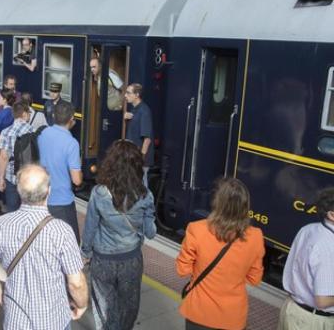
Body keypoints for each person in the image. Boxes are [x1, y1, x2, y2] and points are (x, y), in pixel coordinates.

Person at [0, 164, 89, 330]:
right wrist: (81, 304)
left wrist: (1, 295)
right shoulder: (61, 231)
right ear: (49, 191)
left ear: (18, 191)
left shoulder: (0, 225)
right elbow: (76, 283)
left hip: (16, 321)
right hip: (53, 321)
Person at [81, 140, 157, 329]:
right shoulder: (145, 195)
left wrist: (85, 253)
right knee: (128, 309)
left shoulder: (99, 193)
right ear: (137, 166)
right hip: (131, 260)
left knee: (104, 310)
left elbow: (90, 228)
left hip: (103, 260)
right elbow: (150, 233)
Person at [176, 178, 265, 330]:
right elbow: (254, 279)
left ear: (218, 203)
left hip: (199, 313)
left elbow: (182, 270)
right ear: (245, 207)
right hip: (233, 317)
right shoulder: (256, 236)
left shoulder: (196, 229)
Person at [278, 188, 334, 329]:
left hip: (291, 308)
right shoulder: (329, 248)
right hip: (311, 321)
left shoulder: (308, 229)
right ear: (332, 215)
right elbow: (323, 301)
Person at [38, 101, 82, 240]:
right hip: (62, 201)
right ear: (71, 120)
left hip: (43, 198)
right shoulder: (72, 143)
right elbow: (77, 180)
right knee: (71, 241)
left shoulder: (44, 133)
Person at [0, 102, 32, 212]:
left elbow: (3, 157)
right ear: (25, 114)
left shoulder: (5, 132)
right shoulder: (33, 131)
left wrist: (1, 178)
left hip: (10, 175)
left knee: (12, 209)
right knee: (27, 209)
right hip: (28, 177)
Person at [123, 83, 153, 186]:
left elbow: (147, 139)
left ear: (137, 95)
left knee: (140, 186)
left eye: (128, 93)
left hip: (139, 158)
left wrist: (141, 158)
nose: (125, 95)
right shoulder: (134, 109)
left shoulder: (144, 111)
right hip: (133, 156)